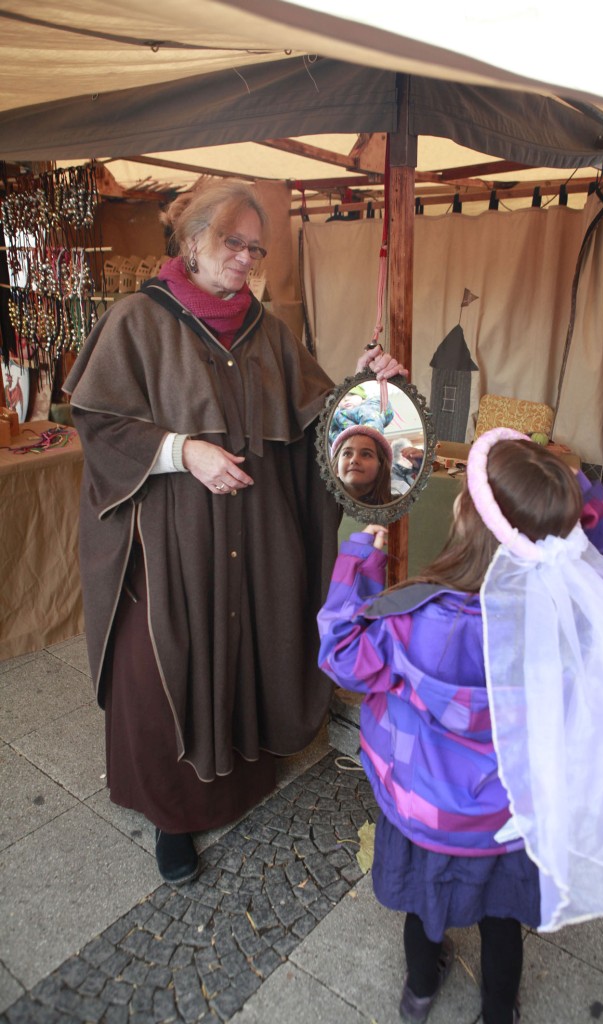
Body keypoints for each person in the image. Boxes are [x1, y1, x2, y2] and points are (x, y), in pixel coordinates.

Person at [63, 179, 405, 885]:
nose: (247, 257)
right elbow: (99, 423)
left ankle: (239, 780)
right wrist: (182, 451)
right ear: (192, 243)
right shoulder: (137, 320)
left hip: (257, 532)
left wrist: (364, 389)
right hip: (171, 539)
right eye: (233, 242)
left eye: (256, 248)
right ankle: (171, 812)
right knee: (160, 664)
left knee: (249, 644)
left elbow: (315, 425)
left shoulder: (268, 332)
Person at [317, 427, 603, 1024]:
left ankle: (420, 991)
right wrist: (573, 490)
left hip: (427, 812)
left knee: (425, 910)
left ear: (467, 517)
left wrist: (359, 558)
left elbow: (341, 653)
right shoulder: (575, 616)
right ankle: (500, 1009)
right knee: (503, 919)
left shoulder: (413, 617)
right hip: (511, 813)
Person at [331, 425, 394, 505]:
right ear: (337, 467)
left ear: (380, 467)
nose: (354, 460)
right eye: (347, 454)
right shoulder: (320, 506)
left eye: (366, 454)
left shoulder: (399, 505)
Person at [328, 383, 394, 445]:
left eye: (351, 394)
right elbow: (334, 437)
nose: (346, 399)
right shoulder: (337, 416)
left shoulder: (366, 408)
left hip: (365, 441)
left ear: (363, 399)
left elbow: (372, 422)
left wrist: (366, 440)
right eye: (342, 397)